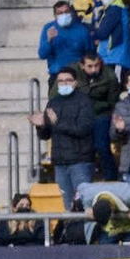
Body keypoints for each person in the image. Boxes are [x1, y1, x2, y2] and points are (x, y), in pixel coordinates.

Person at [32, 67, 97, 207]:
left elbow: (83, 129)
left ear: (75, 83)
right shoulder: (53, 103)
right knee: (67, 206)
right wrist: (41, 126)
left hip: (80, 161)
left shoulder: (85, 102)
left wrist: (58, 123)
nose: (64, 84)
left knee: (85, 204)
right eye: (61, 81)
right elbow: (46, 135)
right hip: (60, 162)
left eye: (68, 80)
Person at [38, 1, 94, 79]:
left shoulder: (82, 29)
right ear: (55, 15)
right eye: (60, 13)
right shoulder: (48, 28)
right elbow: (42, 55)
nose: (64, 15)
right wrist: (49, 40)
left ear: (71, 13)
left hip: (78, 75)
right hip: (57, 74)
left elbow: (90, 53)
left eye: (66, 12)